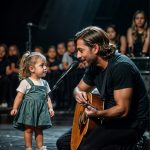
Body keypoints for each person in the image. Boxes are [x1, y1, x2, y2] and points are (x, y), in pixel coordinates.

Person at [56, 26, 149, 150]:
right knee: (63, 143)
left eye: (81, 50)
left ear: (95, 48)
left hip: (130, 125)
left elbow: (122, 110)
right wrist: (78, 93)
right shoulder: (93, 67)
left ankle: (139, 145)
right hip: (108, 118)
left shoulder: (121, 67)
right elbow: (78, 89)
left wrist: (98, 113)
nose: (77, 55)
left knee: (86, 147)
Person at [10, 51, 54, 150]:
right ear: (32, 69)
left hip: (41, 110)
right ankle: (28, 147)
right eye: (42, 65)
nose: (45, 68)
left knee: (39, 130)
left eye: (45, 65)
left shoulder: (45, 83)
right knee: (28, 129)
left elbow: (47, 97)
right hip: (29, 110)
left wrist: (50, 108)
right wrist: (15, 108)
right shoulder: (26, 82)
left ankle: (40, 147)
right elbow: (19, 96)